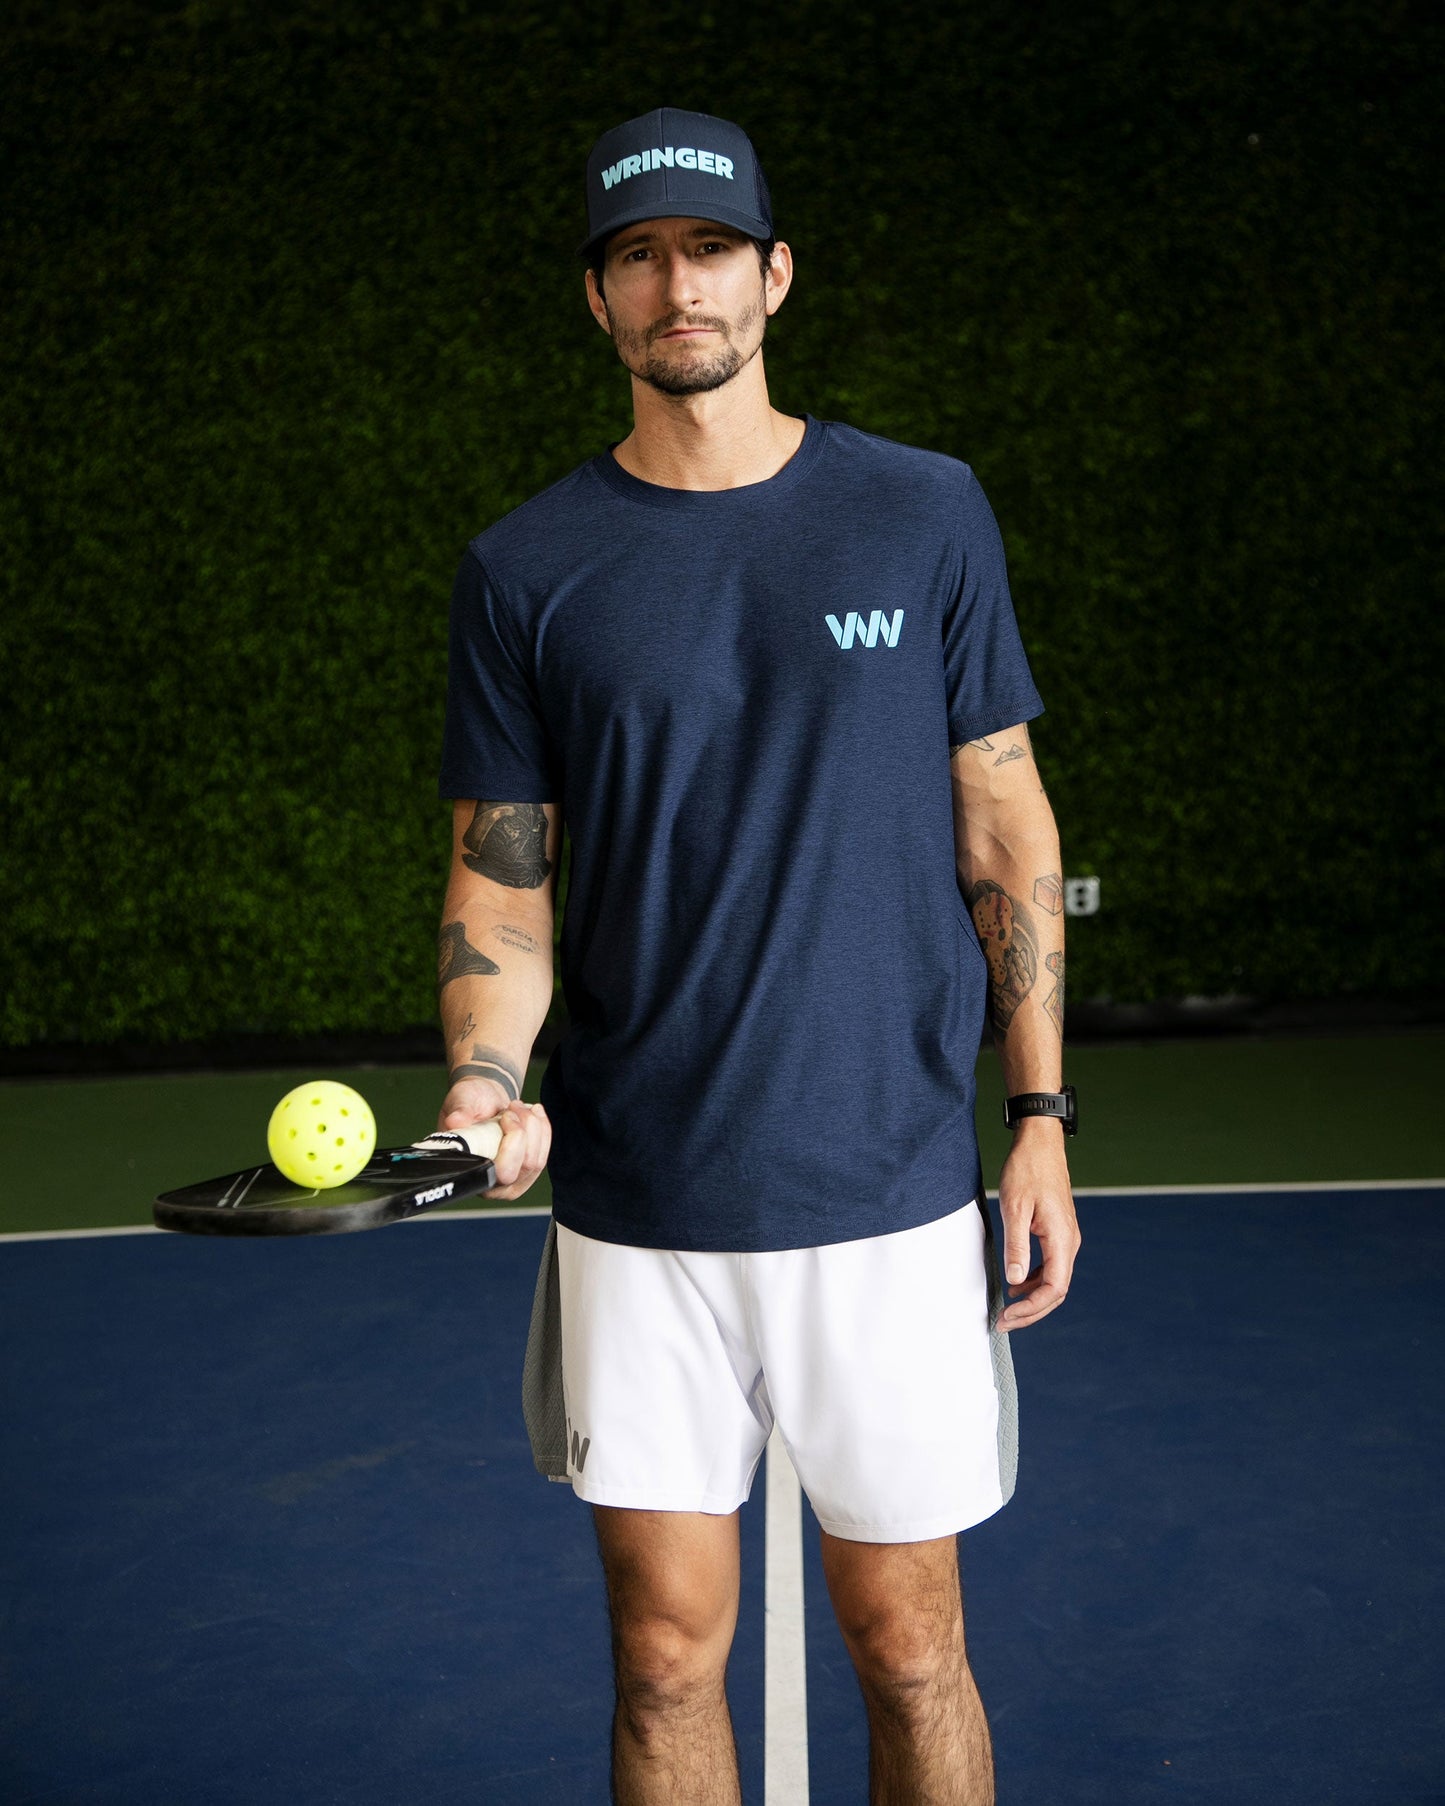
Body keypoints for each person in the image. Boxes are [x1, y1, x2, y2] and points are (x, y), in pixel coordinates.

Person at [435, 106, 1080, 1806]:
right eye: (636, 257)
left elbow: (1005, 826)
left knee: (911, 1638)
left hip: (882, 1173)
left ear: (773, 275)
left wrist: (1037, 1119)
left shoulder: (921, 513)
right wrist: (483, 1079)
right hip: (639, 1192)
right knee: (660, 1657)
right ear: (597, 301)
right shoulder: (523, 570)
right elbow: (503, 885)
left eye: (709, 248)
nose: (677, 287)